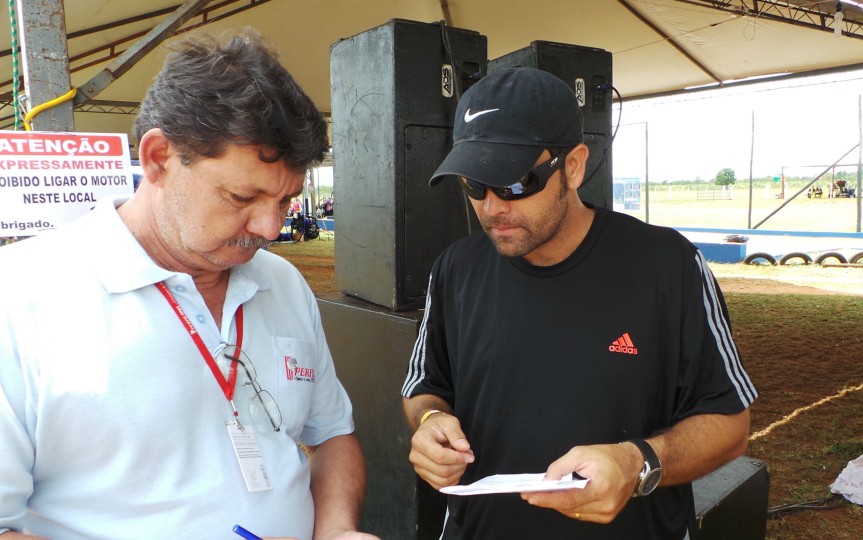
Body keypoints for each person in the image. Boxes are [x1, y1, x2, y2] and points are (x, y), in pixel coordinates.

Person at [0, 31, 377, 540]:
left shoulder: (282, 282)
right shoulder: (20, 297)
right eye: (242, 195)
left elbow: (331, 434)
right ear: (157, 158)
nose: (270, 229)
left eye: (286, 201)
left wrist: (336, 531)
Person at [400, 67, 756, 539]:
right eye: (473, 185)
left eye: (513, 183)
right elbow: (423, 385)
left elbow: (730, 421)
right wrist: (430, 421)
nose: (491, 207)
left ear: (573, 165)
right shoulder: (454, 269)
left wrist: (637, 462)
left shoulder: (667, 266)